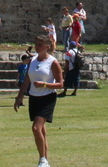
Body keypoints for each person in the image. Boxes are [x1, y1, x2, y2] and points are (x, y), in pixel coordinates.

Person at [14, 34, 64, 167]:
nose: (37, 47)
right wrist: (19, 97)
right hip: (34, 97)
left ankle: (42, 160)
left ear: (47, 47)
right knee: (41, 130)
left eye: (40, 44)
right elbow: (26, 80)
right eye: (36, 44)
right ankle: (45, 160)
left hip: (47, 98)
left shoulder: (53, 62)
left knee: (36, 128)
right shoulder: (32, 60)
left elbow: (60, 84)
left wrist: (45, 85)